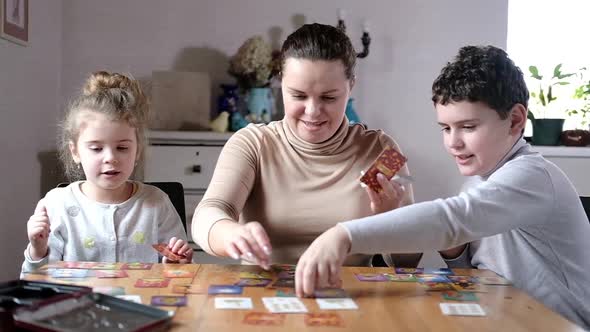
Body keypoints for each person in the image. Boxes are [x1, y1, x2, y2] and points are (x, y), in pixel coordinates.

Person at [294, 45, 590, 329]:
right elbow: (472, 268)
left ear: (515, 121)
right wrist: (453, 249)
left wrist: (344, 235)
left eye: (468, 127)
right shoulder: (477, 181)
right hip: (509, 317)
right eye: (446, 128)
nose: (453, 142)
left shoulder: (532, 175)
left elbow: (453, 217)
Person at [192, 23, 419, 270]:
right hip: (262, 293)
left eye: (329, 97)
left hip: (351, 296)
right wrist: (231, 234)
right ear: (281, 84)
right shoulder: (253, 144)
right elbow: (208, 214)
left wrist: (391, 221)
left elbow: (407, 262)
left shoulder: (381, 149)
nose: (312, 111)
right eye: (298, 95)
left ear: (351, 85)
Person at [22, 71, 192, 274]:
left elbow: (181, 275)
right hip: (80, 305)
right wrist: (38, 249)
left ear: (137, 151)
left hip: (143, 303)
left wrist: (178, 264)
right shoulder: (57, 204)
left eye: (122, 148)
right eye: (96, 148)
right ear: (75, 151)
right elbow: (34, 283)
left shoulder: (157, 202)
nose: (110, 158)